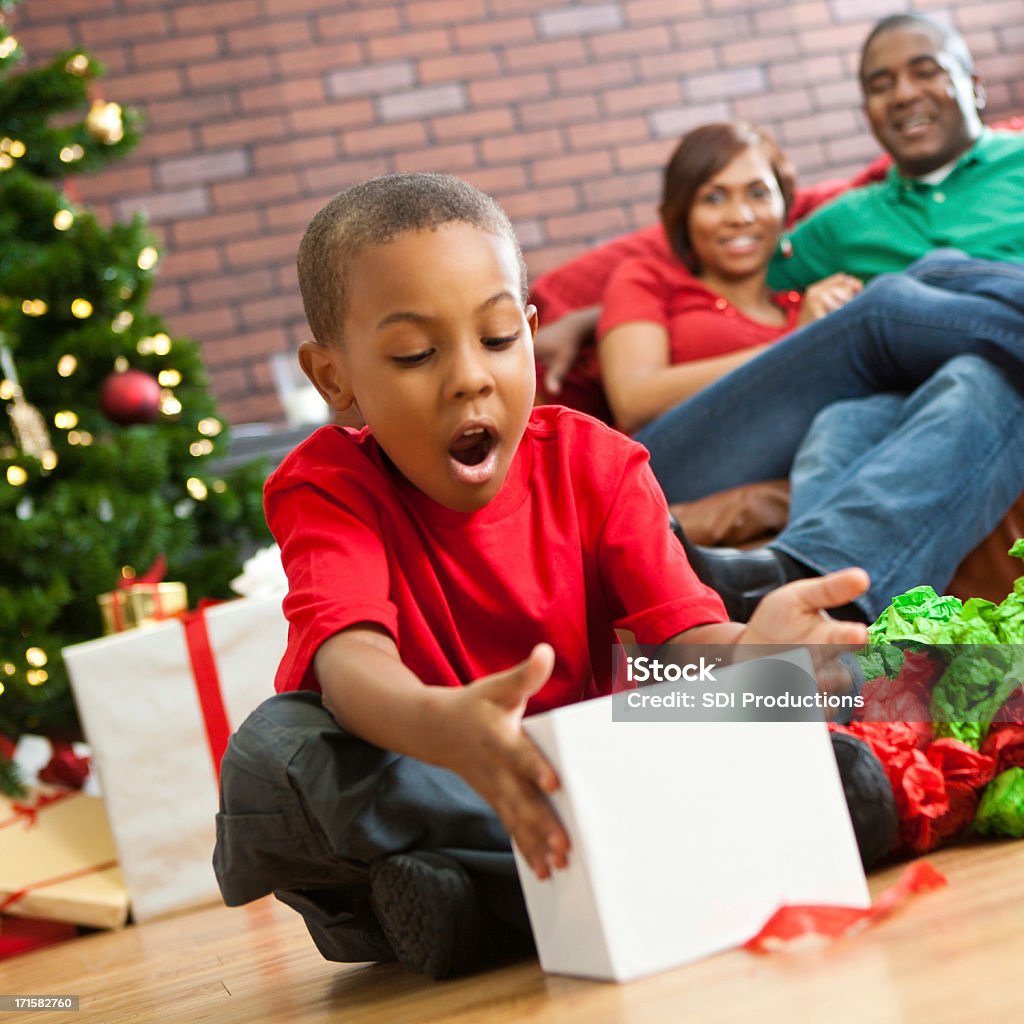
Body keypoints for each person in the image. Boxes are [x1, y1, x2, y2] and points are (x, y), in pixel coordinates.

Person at [211, 172, 889, 981]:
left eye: (498, 339)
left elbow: (682, 645)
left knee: (826, 702)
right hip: (428, 765)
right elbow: (351, 670)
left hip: (588, 769)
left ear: (532, 333)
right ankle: (552, 878)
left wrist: (758, 660)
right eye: (415, 354)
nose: (470, 376)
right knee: (280, 750)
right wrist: (443, 728)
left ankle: (490, 904)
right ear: (335, 380)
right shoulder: (325, 484)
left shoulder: (595, 461)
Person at [628, 12, 1024, 621]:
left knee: (933, 333)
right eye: (880, 83)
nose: (904, 93)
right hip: (911, 387)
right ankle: (824, 616)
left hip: (989, 372)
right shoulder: (845, 219)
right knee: (856, 394)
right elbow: (736, 258)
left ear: (973, 86)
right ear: (866, 111)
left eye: (925, 71)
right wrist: (587, 315)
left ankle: (801, 585)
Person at [597, 121, 861, 436]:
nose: (740, 217)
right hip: (671, 463)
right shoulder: (647, 279)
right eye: (715, 198)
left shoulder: (803, 311)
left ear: (785, 206)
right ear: (682, 214)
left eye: (758, 193)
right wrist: (797, 345)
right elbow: (633, 401)